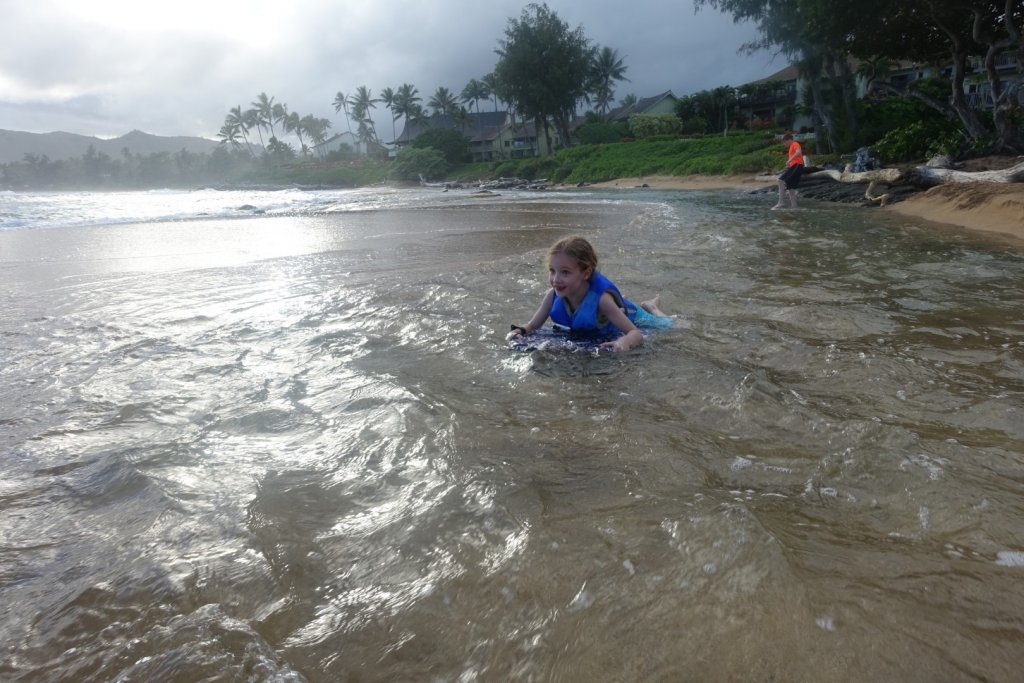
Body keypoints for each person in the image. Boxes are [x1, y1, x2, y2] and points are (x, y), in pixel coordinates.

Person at [507, 235, 673, 352]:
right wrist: (520, 331)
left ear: (586, 273)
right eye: (552, 271)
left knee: (672, 327)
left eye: (565, 272)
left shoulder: (602, 301)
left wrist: (625, 342)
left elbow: (635, 333)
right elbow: (533, 326)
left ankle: (651, 307)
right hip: (609, 315)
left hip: (634, 317)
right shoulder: (552, 296)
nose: (556, 279)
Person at [774, 132, 804, 209]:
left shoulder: (795, 144)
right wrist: (789, 166)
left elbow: (798, 152)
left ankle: (781, 202)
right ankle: (794, 207)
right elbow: (796, 156)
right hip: (795, 166)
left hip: (797, 165)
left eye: (784, 142)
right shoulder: (791, 147)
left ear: (789, 140)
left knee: (780, 180)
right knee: (791, 188)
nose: (784, 144)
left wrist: (789, 160)